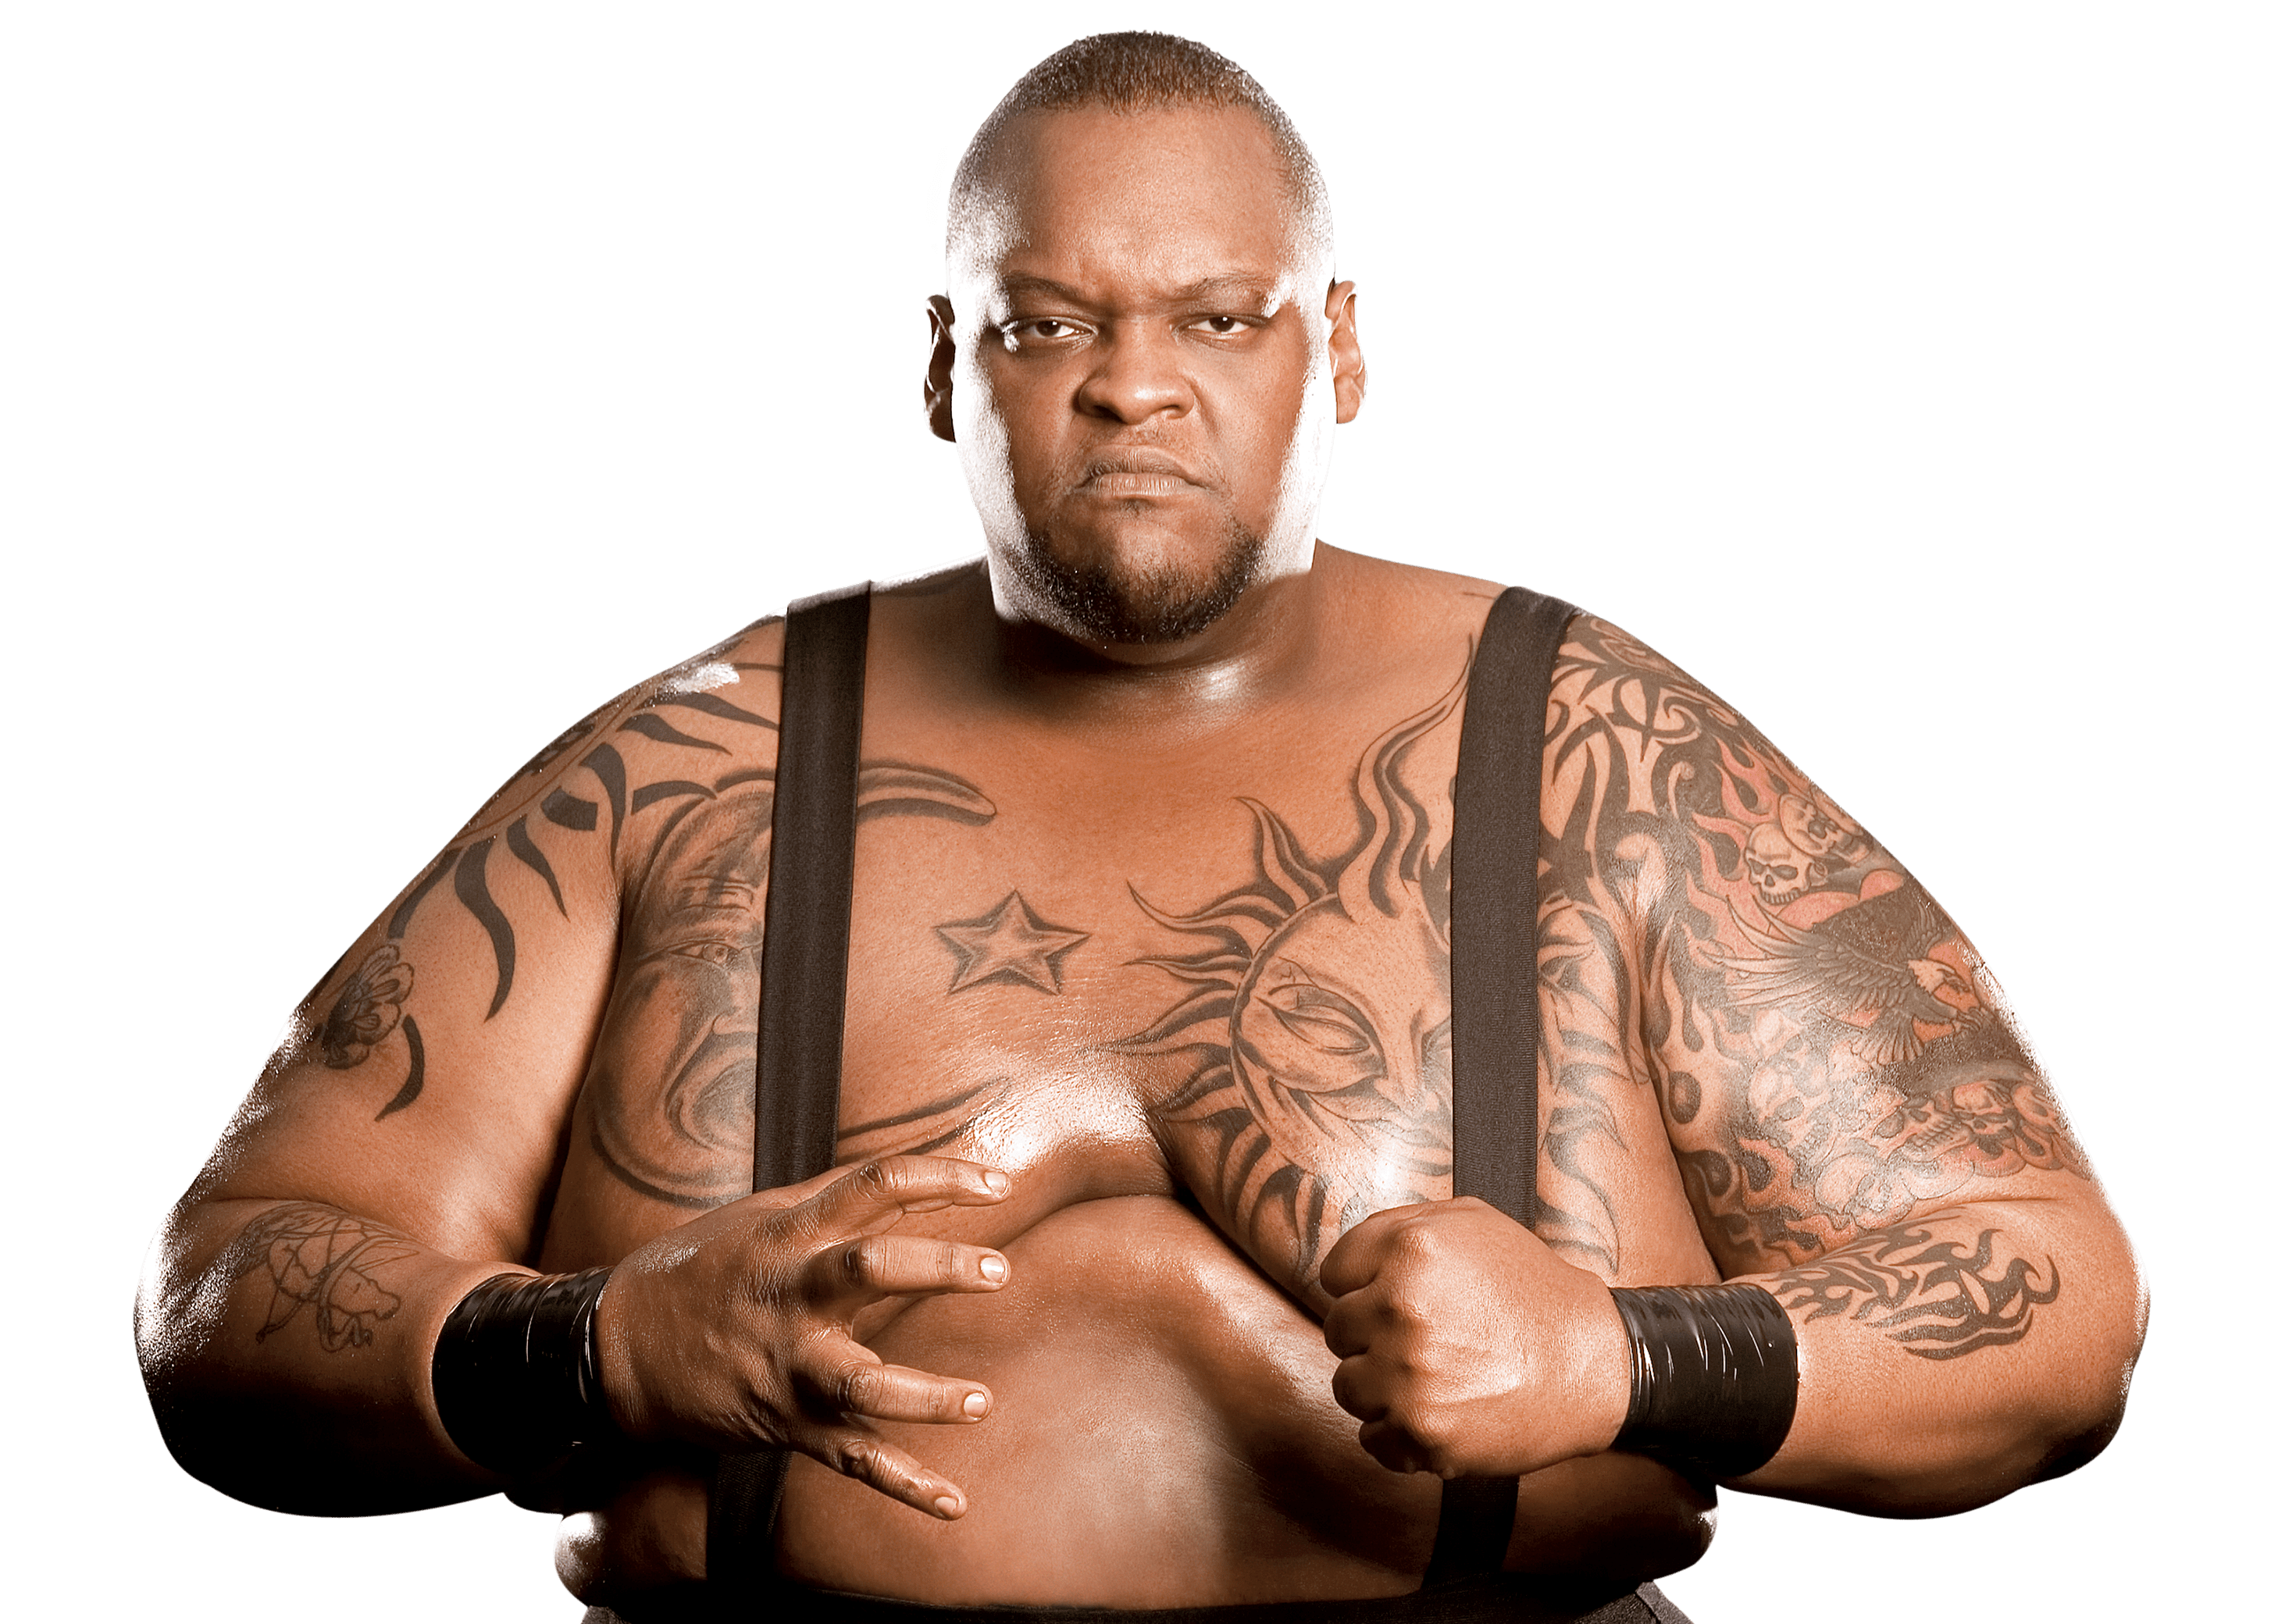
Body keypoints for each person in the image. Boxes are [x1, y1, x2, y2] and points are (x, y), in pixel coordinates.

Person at [134, 32, 2146, 1624]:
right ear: (949, 369)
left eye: (1216, 317)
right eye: (1048, 323)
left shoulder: (1596, 756)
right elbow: (220, 1290)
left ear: (1337, 349)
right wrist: (592, 1351)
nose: (1133, 392)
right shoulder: (690, 765)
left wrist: (1624, 1362)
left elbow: (2051, 1303)